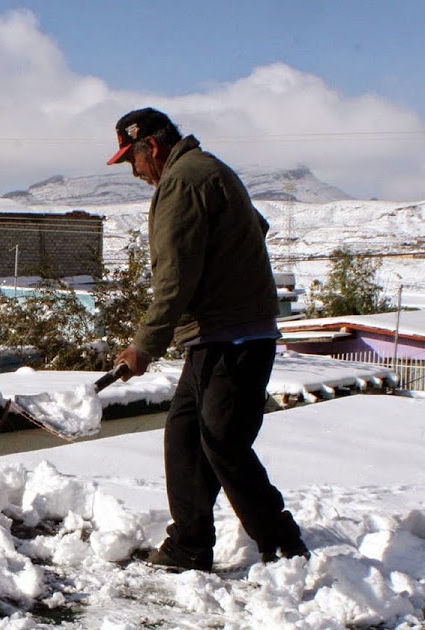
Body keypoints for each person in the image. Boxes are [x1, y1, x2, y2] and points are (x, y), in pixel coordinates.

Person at [106, 108, 308, 572]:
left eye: (132, 161)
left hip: (230, 336)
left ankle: (283, 545)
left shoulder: (183, 180)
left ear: (150, 147)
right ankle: (189, 544)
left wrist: (144, 345)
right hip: (221, 334)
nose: (135, 174)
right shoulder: (209, 170)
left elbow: (175, 278)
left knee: (222, 441)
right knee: (186, 437)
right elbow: (255, 227)